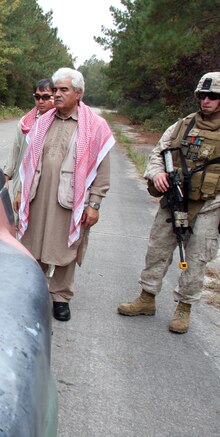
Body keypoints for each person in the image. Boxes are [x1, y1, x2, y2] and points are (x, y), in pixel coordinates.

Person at [117, 72, 220, 334]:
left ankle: (184, 307)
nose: (206, 100)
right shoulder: (181, 126)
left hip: (209, 206)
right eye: (202, 95)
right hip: (174, 201)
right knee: (157, 250)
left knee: (196, 260)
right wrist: (157, 173)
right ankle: (147, 298)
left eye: (213, 96)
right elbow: (157, 154)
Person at [14, 67, 115, 322]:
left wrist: (94, 203)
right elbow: (27, 161)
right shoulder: (43, 121)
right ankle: (35, 292)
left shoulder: (95, 126)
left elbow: (102, 170)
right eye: (55, 90)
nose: (57, 95)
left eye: (63, 90)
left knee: (65, 249)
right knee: (33, 246)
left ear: (79, 93)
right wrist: (19, 191)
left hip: (69, 201)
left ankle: (60, 298)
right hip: (38, 196)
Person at [3, 79, 56, 201]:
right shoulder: (24, 122)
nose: (41, 101)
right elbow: (15, 150)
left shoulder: (60, 123)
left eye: (46, 97)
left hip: (47, 187)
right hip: (21, 183)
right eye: (37, 97)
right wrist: (6, 177)